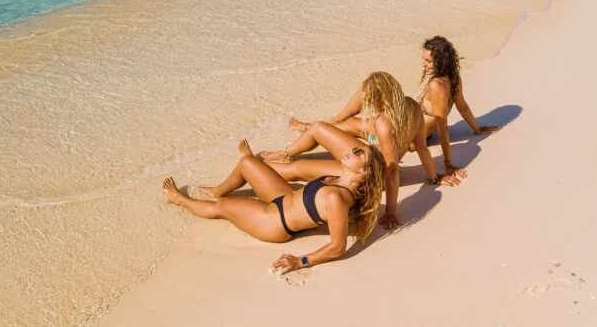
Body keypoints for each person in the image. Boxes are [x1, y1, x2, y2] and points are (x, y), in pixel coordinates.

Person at [161, 126, 386, 274]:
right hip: (283, 197)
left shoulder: (338, 199)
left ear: (365, 173)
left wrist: (300, 261)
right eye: (356, 148)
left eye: (359, 154)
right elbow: (299, 172)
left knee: (221, 208)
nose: (352, 151)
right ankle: (219, 189)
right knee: (247, 163)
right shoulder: (338, 176)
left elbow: (338, 247)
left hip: (274, 223)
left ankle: (180, 200)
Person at [261, 71, 459, 230]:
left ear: (381, 98)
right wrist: (434, 178)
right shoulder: (413, 107)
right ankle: (285, 153)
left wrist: (390, 211)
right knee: (319, 128)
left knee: (300, 169)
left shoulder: (383, 122)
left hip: (366, 171)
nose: (368, 103)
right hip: (368, 154)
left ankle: (258, 170)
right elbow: (423, 149)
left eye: (371, 98)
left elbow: (391, 169)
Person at [418, 36, 500, 175]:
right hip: (411, 130)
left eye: (428, 61)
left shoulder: (436, 85)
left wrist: (448, 163)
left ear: (441, 61)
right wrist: (477, 129)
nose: (423, 65)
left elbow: (443, 126)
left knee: (372, 133)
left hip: (410, 138)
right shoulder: (453, 77)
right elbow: (462, 107)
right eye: (424, 59)